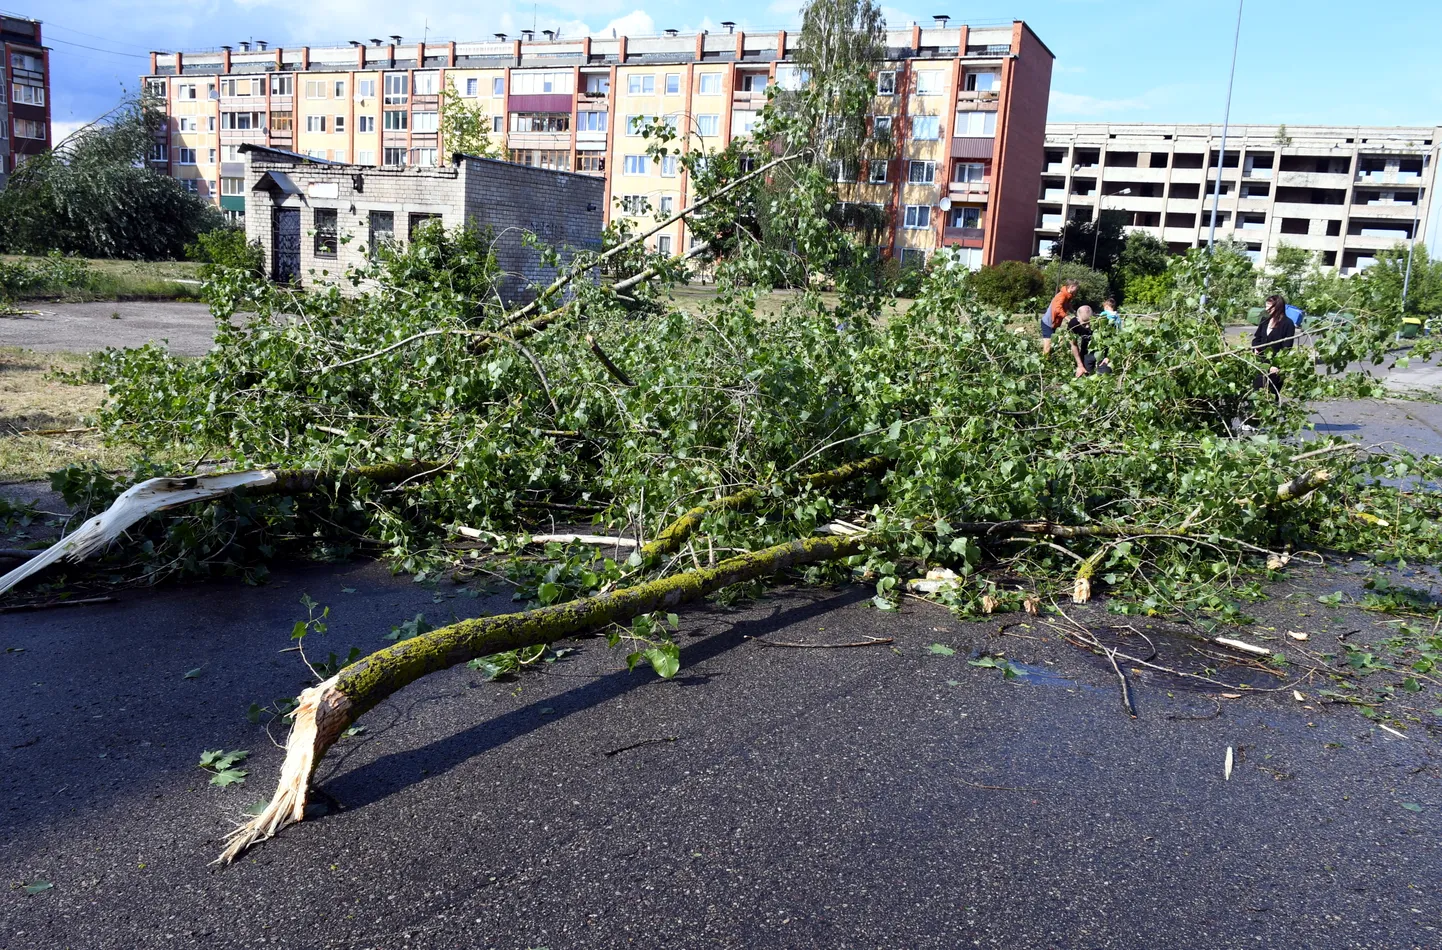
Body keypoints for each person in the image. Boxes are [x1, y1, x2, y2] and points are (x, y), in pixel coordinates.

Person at [1252, 293, 1295, 402]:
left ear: (1278, 307)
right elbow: (1257, 338)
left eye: (1269, 306)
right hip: (1260, 364)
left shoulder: (1287, 323)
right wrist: (1255, 348)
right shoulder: (1264, 320)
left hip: (1275, 368)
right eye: (1266, 306)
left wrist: (1275, 365)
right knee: (1257, 396)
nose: (1267, 309)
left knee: (1271, 399)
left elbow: (1287, 347)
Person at [1066, 305, 1112, 377]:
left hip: (1102, 351)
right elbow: (1073, 345)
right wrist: (1080, 365)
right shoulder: (1073, 324)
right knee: (1086, 375)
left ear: (1093, 315)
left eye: (1089, 322)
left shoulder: (1102, 322)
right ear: (1078, 319)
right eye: (1084, 324)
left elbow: (1112, 341)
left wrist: (1109, 357)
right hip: (1086, 351)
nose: (1087, 326)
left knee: (1104, 375)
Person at [1041, 279, 1079, 357]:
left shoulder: (1068, 296)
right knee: (1047, 346)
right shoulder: (1062, 295)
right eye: (1076, 288)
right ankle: (1044, 362)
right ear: (1071, 287)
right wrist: (1067, 318)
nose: (1077, 290)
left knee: (1053, 344)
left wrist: (1074, 312)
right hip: (1048, 323)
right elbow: (1057, 309)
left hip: (1054, 323)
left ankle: (1048, 359)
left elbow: (1067, 305)